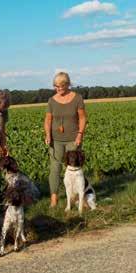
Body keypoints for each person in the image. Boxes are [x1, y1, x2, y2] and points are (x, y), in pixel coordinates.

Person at [44, 72, 87, 207]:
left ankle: (78, 197)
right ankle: (54, 198)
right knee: (55, 168)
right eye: (55, 86)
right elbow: (48, 120)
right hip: (56, 140)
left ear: (67, 84)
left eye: (60, 86)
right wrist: (47, 135)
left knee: (73, 170)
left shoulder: (77, 98)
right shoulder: (52, 100)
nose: (58, 89)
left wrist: (80, 134)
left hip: (73, 139)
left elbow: (82, 118)